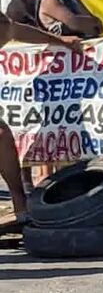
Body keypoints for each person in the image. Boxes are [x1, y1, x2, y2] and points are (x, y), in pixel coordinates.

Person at [0, 13, 81, 232]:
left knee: (1, 135)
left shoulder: (3, 26)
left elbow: (15, 29)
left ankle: (19, 203)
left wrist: (59, 41)